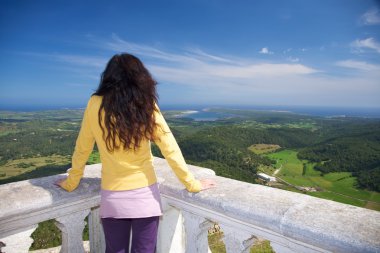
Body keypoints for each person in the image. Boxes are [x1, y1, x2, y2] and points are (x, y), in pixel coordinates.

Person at [55, 53, 216, 253]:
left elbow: (82, 148)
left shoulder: (95, 103)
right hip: (145, 196)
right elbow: (170, 148)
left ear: (109, 76)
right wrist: (192, 184)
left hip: (112, 197)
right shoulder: (146, 105)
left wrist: (71, 182)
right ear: (140, 77)